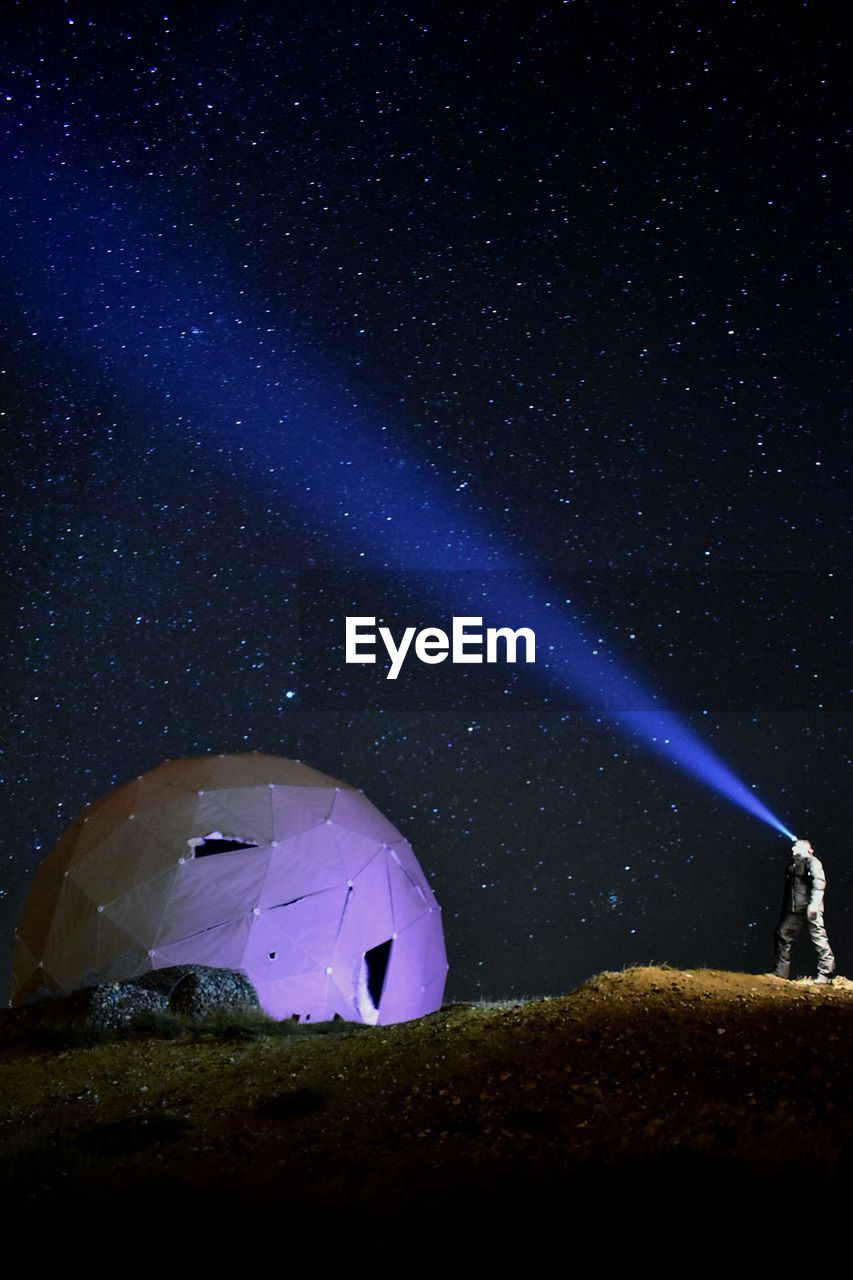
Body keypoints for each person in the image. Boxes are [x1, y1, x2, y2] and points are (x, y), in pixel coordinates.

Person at [772, 838, 835, 983]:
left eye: (797, 846)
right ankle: (780, 973)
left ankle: (826, 973)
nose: (793, 848)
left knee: (818, 937)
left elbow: (819, 883)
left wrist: (814, 904)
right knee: (783, 935)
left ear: (807, 849)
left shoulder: (812, 862)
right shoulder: (792, 866)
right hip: (794, 909)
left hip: (810, 907)